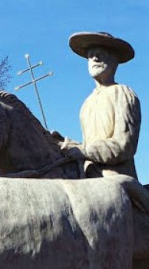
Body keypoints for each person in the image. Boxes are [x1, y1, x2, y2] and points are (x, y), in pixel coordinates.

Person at [52, 31, 141, 179]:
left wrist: (83, 151)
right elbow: (88, 145)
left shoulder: (123, 93)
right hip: (88, 176)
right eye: (90, 55)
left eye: (101, 54)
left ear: (114, 61)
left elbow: (124, 145)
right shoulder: (87, 103)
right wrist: (65, 145)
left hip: (116, 178)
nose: (94, 58)